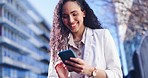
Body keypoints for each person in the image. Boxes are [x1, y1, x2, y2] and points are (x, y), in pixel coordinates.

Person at [48, 0, 123, 78]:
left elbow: (117, 75)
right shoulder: (58, 46)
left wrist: (90, 71)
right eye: (65, 16)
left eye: (74, 14)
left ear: (83, 13)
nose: (71, 20)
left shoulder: (102, 36)